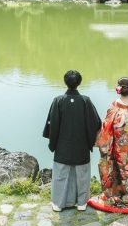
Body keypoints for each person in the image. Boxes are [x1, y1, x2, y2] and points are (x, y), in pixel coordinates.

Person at [42, 69, 102, 212]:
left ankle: (58, 204)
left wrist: (53, 142)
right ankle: (82, 203)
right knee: (82, 175)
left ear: (65, 82)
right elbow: (96, 123)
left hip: (62, 145)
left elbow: (53, 123)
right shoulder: (85, 101)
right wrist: (89, 138)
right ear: (79, 83)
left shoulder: (58, 101)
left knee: (61, 175)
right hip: (81, 145)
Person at [95, 76, 128, 207]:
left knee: (117, 167)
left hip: (118, 145)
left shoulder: (114, 106)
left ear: (118, 89)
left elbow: (107, 125)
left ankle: (117, 194)